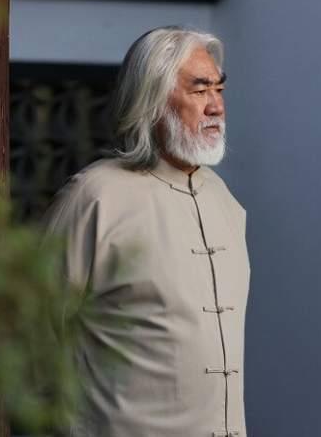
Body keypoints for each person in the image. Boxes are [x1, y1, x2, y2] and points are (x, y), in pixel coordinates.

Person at [44, 26, 250, 437]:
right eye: (199, 90)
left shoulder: (225, 201)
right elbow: (30, 335)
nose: (216, 106)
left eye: (219, 89)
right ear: (152, 100)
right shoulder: (94, 197)